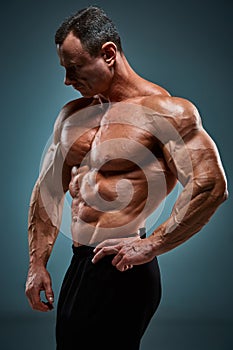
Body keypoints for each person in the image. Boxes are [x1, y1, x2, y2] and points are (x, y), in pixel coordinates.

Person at [25, 6, 228, 350]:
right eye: (64, 69)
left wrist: (152, 244)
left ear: (108, 54)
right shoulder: (73, 114)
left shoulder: (167, 113)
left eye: (74, 68)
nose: (66, 80)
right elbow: (47, 189)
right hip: (80, 265)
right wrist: (36, 263)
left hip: (122, 266)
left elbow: (210, 186)